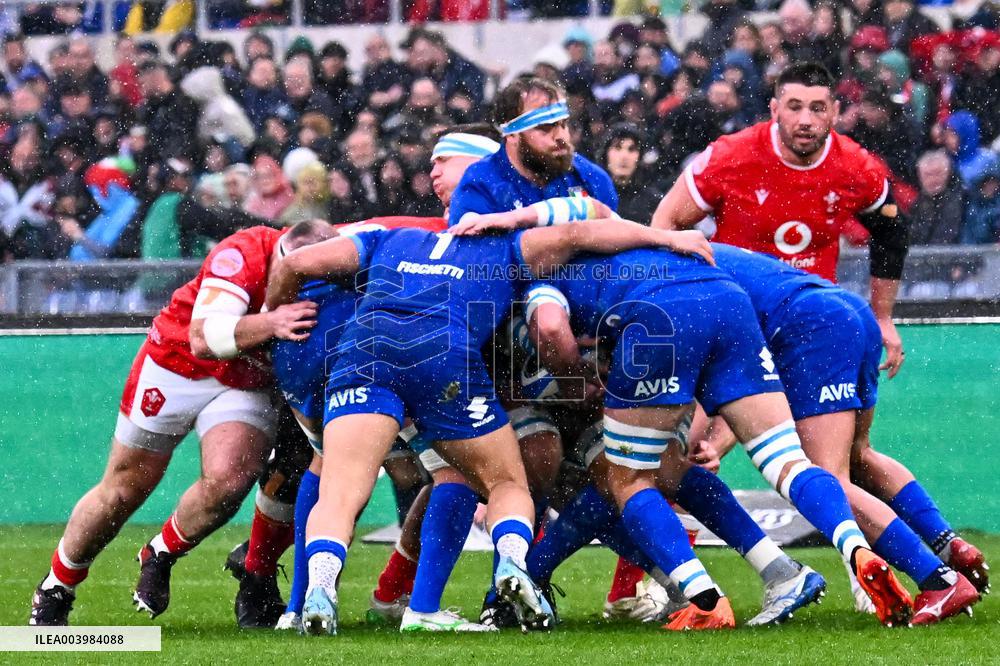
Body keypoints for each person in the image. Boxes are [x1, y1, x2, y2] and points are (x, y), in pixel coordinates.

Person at [266, 207, 709, 636]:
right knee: (506, 482)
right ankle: (514, 565)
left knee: (340, 490)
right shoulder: (502, 252)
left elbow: (299, 262)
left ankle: (320, 589)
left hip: (365, 354)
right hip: (443, 357)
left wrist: (273, 313)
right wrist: (667, 237)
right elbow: (580, 234)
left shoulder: (388, 238)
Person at [29, 220, 335, 626]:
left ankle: (160, 553)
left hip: (246, 380)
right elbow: (203, 338)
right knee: (124, 488)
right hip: (178, 364)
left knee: (231, 480)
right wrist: (272, 322)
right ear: (280, 259)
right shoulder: (241, 252)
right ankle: (57, 586)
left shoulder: (338, 255)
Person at [692, 243, 985, 625]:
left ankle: (939, 580)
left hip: (810, 325)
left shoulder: (662, 284)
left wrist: (703, 445)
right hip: (847, 308)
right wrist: (714, 444)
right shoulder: (689, 252)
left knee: (826, 478)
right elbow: (748, 395)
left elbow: (737, 390)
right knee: (859, 455)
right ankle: (948, 545)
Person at [651, 62, 909, 381]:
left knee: (852, 429)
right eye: (794, 107)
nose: (805, 120)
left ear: (835, 112)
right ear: (774, 109)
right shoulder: (731, 156)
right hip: (738, 319)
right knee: (714, 431)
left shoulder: (856, 166)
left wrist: (882, 317)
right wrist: (676, 300)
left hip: (812, 318)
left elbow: (892, 234)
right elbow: (666, 221)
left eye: (817, 109)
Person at [448, 77, 618, 227]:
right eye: (545, 128)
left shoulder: (591, 178)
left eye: (564, 124)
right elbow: (476, 257)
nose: (561, 136)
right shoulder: (480, 184)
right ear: (512, 134)